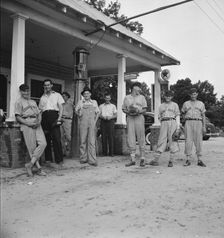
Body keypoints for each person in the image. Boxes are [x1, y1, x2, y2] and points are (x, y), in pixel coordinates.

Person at [15, 84, 47, 176]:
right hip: (27, 123)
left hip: (36, 123)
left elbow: (39, 113)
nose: (26, 93)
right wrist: (28, 123)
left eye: (28, 91)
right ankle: (39, 169)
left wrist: (39, 121)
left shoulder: (33, 101)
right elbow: (18, 117)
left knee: (43, 143)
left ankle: (30, 164)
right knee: (32, 148)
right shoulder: (18, 102)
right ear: (21, 92)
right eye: (24, 91)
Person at [148, 90, 180, 167]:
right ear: (164, 96)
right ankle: (155, 160)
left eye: (169, 96)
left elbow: (177, 116)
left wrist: (178, 127)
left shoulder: (175, 105)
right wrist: (162, 123)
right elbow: (159, 117)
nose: (168, 97)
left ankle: (171, 161)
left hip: (172, 121)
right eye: (166, 96)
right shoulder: (161, 106)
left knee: (173, 140)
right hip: (164, 122)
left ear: (171, 97)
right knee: (161, 140)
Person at [39, 79, 64, 167]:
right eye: (45, 85)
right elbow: (40, 111)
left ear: (51, 85)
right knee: (47, 139)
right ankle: (48, 159)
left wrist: (59, 118)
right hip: (45, 118)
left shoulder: (57, 95)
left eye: (48, 85)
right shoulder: (42, 97)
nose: (47, 86)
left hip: (54, 116)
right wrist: (40, 121)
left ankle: (59, 159)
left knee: (56, 139)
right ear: (44, 86)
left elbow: (61, 107)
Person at [122, 82, 147, 167]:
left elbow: (145, 109)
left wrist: (138, 111)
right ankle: (132, 159)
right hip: (130, 118)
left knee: (141, 137)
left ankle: (142, 159)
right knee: (131, 137)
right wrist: (128, 112)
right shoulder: (127, 98)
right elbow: (123, 109)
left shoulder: (142, 97)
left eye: (139, 88)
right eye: (138, 87)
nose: (139, 89)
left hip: (139, 117)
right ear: (133, 88)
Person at [181, 88, 206, 167]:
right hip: (188, 122)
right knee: (188, 140)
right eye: (191, 94)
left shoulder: (201, 103)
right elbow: (182, 113)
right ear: (189, 95)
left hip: (198, 122)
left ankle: (199, 159)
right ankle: (188, 159)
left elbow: (203, 115)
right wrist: (184, 119)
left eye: (194, 94)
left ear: (197, 94)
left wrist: (204, 126)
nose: (193, 95)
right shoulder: (186, 103)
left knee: (198, 141)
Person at [75, 87, 99, 166]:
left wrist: (95, 122)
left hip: (92, 123)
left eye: (88, 93)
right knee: (83, 141)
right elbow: (76, 111)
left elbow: (98, 112)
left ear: (90, 94)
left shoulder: (94, 102)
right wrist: (79, 114)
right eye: (84, 94)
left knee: (92, 141)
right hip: (83, 123)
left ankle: (92, 160)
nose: (86, 95)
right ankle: (83, 158)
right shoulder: (80, 102)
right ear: (83, 95)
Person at [61, 92, 73, 157]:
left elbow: (72, 113)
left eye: (64, 96)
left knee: (68, 136)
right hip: (61, 120)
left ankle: (71, 151)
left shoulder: (70, 103)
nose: (63, 97)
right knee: (61, 136)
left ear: (67, 97)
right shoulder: (61, 104)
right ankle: (63, 152)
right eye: (62, 96)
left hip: (68, 120)